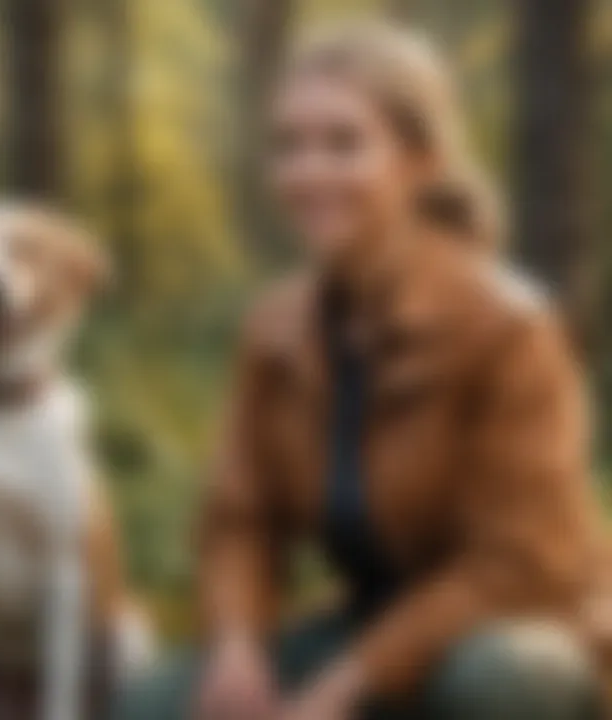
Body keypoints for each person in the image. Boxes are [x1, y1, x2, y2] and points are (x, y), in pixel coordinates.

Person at [119, 21, 607, 720]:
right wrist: (238, 645)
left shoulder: (512, 329)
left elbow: (522, 565)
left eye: (344, 144)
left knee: (501, 680)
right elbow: (239, 520)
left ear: (423, 161)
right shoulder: (275, 330)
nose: (308, 172)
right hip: (368, 626)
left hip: (523, 633)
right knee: (152, 703)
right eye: (290, 146)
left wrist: (341, 690)